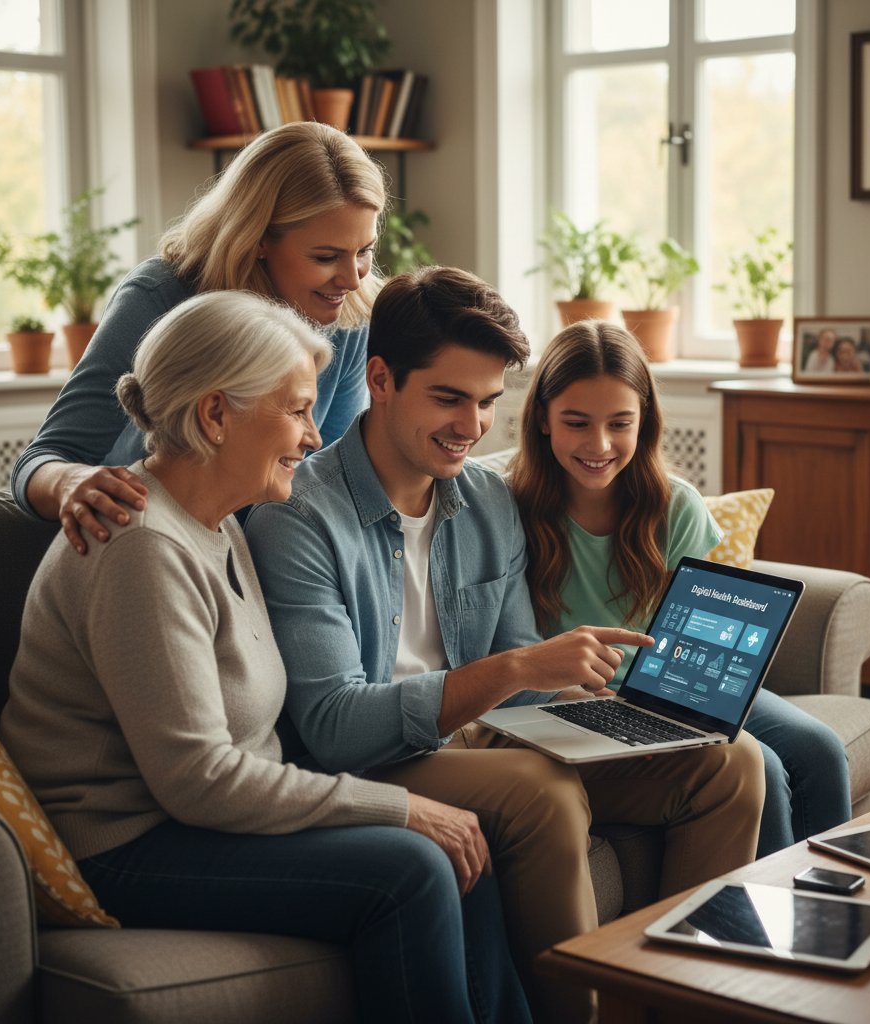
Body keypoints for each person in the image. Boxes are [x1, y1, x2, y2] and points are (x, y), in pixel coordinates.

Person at [244, 267, 765, 1024]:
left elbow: (523, 681)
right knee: (539, 789)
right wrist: (521, 669)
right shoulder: (303, 516)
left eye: (488, 402)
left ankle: (683, 1006)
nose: (472, 425)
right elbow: (332, 729)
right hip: (381, 758)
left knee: (730, 759)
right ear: (381, 379)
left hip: (490, 739)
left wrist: (599, 708)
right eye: (449, 398)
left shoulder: (486, 499)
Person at [0, 290, 531, 1024]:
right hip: (127, 846)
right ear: (216, 415)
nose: (315, 437)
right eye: (296, 410)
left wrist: (413, 808)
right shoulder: (143, 547)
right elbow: (199, 780)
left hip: (193, 821)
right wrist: (400, 806)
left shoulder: (219, 524)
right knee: (411, 866)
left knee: (456, 840)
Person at [508, 321, 851, 859]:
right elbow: (510, 643)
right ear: (543, 420)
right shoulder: (510, 508)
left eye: (620, 423)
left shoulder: (674, 506)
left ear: (643, 422)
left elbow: (694, 626)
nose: (599, 445)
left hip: (672, 688)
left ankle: (835, 908)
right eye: (577, 423)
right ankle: (766, 926)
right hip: (578, 699)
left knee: (821, 749)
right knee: (765, 764)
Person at [12, 121, 384, 556]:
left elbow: (322, 484)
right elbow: (41, 460)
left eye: (365, 251)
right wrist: (69, 481)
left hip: (251, 559)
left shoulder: (347, 316)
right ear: (259, 238)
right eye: (325, 257)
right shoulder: (160, 296)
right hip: (138, 543)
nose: (353, 280)